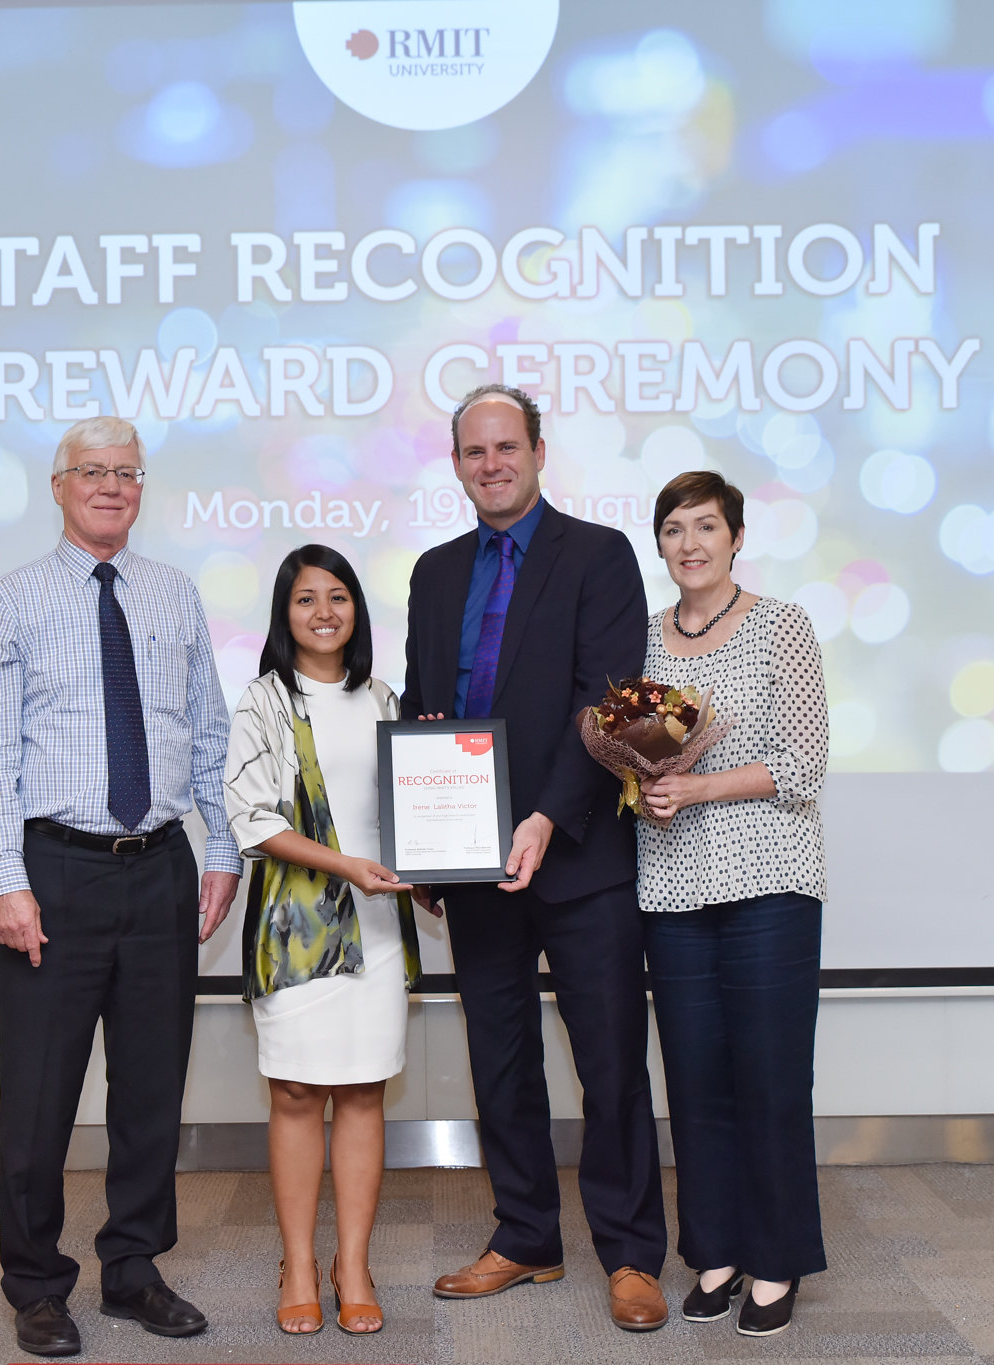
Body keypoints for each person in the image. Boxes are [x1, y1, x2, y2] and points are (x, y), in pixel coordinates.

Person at [0, 414, 241, 1358]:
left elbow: (208, 734)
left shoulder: (173, 594)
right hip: (54, 873)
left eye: (127, 472)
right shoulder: (13, 599)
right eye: (93, 471)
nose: (112, 486)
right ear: (58, 485)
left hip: (159, 866)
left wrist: (222, 850)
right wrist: (6, 878)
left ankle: (133, 1269)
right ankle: (37, 1284)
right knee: (39, 1097)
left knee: (151, 1092)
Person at [399, 383, 670, 1331]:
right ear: (458, 463)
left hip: (579, 856)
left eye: (506, 446)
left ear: (540, 451)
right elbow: (423, 707)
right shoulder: (433, 573)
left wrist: (550, 814)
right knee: (499, 1057)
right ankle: (526, 1236)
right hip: (474, 865)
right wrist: (426, 837)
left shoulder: (599, 554)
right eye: (474, 451)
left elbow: (604, 704)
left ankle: (633, 1254)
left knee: (608, 1063)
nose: (492, 464)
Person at [636, 470, 829, 1337]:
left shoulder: (782, 625)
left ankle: (777, 1255)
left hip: (770, 888)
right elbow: (631, 759)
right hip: (672, 888)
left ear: (738, 536)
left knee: (771, 1080)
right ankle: (713, 1246)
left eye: (706, 526)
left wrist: (698, 783)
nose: (690, 543)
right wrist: (638, 790)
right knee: (697, 1080)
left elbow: (802, 766)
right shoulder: (640, 642)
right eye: (674, 528)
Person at [223, 545, 420, 1337]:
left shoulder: (386, 699)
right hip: (298, 930)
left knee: (366, 1090)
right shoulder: (264, 699)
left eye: (338, 596)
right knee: (299, 1092)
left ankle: (354, 1263)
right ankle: (300, 1262)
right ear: (285, 613)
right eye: (307, 599)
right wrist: (345, 865)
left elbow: (414, 811)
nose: (325, 612)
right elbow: (253, 817)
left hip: (375, 930)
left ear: (356, 611)